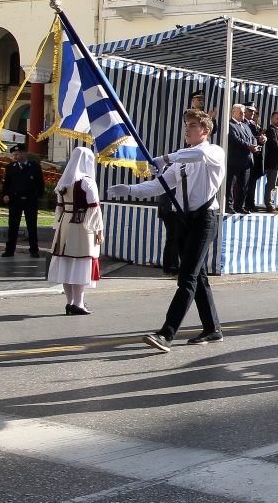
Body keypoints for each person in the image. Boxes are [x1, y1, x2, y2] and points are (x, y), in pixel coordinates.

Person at [107, 109, 226, 351]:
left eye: (192, 125)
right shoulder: (181, 162)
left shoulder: (213, 152)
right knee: (198, 277)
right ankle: (213, 328)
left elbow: (196, 155)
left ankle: (166, 333)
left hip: (204, 219)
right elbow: (156, 186)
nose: (187, 129)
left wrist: (165, 158)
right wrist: (129, 190)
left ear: (205, 130)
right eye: (186, 125)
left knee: (187, 277)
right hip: (183, 220)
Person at [48, 148, 103, 316]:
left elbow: (59, 209)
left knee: (66, 262)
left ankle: (69, 303)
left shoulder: (63, 182)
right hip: (82, 224)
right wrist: (99, 230)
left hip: (65, 223)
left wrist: (59, 226)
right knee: (80, 262)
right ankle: (78, 304)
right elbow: (94, 209)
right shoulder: (87, 182)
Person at [0, 143, 45, 258]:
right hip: (15, 200)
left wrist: (38, 196)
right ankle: (9, 250)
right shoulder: (11, 167)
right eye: (13, 155)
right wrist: (5, 194)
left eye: (17, 154)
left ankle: (34, 250)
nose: (15, 157)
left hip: (30, 200)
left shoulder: (34, 166)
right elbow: (7, 183)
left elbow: (40, 183)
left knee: (32, 226)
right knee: (13, 226)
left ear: (23, 153)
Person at [225, 103, 257, 214]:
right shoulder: (230, 125)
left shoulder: (246, 126)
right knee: (231, 184)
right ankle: (229, 206)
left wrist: (255, 144)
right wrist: (248, 146)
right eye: (241, 112)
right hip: (235, 160)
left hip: (247, 160)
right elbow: (234, 138)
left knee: (244, 185)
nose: (243, 114)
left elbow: (252, 138)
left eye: (243, 112)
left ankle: (240, 205)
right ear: (233, 113)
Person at [243, 106, 266, 213]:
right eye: (250, 111)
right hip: (247, 156)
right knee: (245, 182)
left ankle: (250, 203)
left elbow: (255, 137)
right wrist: (258, 138)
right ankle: (245, 204)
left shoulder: (253, 124)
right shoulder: (243, 123)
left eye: (254, 112)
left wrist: (262, 139)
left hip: (256, 156)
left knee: (252, 182)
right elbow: (248, 138)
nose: (253, 114)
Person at [262, 110, 278, 212]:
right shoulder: (271, 130)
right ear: (272, 119)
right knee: (271, 183)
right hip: (273, 162)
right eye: (277, 119)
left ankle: (271, 203)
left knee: (276, 184)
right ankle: (269, 204)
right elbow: (275, 145)